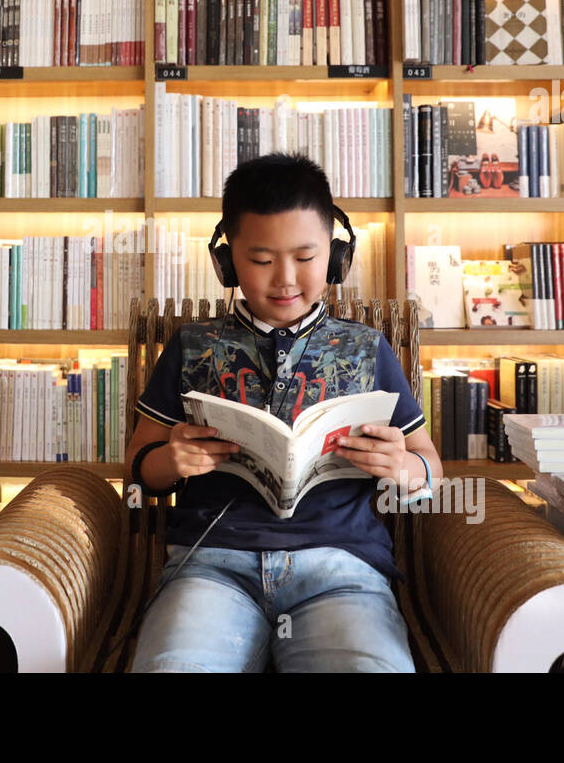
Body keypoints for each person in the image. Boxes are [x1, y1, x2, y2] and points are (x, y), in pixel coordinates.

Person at [126, 153, 442, 672]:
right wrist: (170, 461)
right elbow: (138, 464)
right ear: (226, 262)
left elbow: (430, 463)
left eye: (305, 256)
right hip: (211, 565)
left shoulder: (367, 348)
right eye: (261, 259)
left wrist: (405, 468)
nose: (285, 279)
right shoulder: (191, 346)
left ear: (337, 258)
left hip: (343, 570)